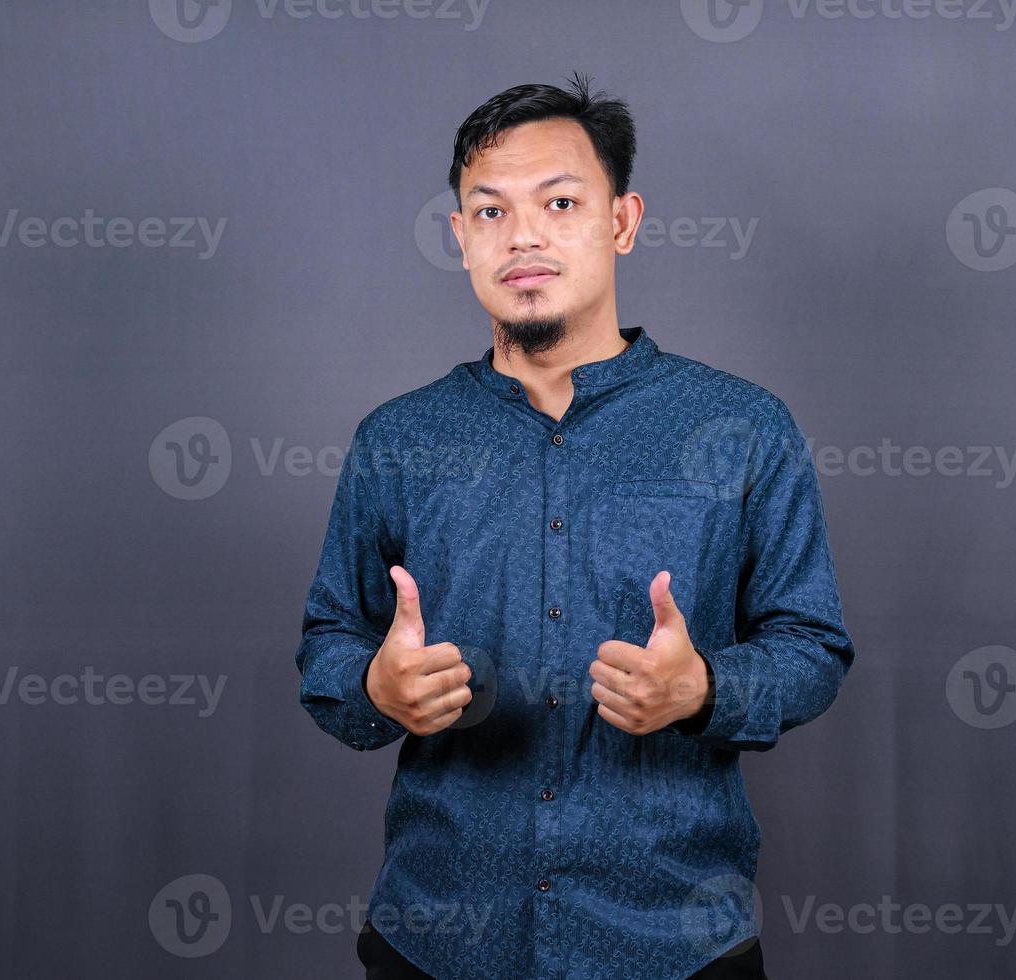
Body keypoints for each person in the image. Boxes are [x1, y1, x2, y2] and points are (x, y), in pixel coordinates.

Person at [296, 71, 856, 980]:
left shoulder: (745, 429)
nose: (523, 236)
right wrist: (376, 687)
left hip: (675, 947)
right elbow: (329, 646)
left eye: (559, 202)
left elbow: (813, 647)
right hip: (437, 940)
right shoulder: (398, 440)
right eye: (489, 212)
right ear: (459, 239)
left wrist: (705, 688)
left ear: (621, 222)